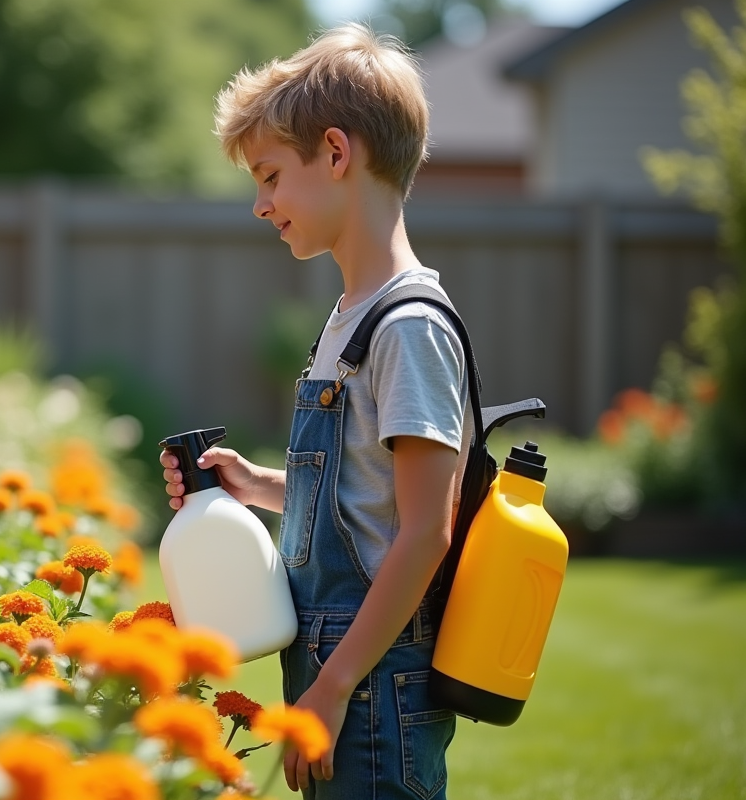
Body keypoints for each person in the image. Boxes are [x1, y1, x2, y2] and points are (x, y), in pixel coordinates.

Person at [159, 23, 472, 799]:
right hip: (338, 673)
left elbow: (425, 530)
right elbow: (359, 496)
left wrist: (332, 691)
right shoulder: (350, 318)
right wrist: (256, 486)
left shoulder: (407, 328)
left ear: (336, 154)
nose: (260, 206)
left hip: (372, 688)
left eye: (268, 176)